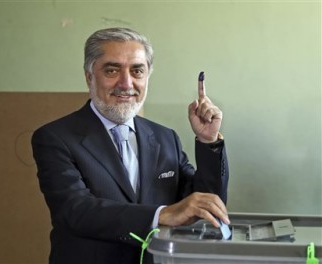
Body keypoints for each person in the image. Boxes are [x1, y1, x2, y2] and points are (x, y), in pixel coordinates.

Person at [31, 27, 229, 264]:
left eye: (137, 71)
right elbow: (76, 210)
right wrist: (162, 214)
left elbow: (204, 202)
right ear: (89, 76)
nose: (126, 83)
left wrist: (208, 141)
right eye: (112, 70)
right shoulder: (55, 137)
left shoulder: (166, 138)